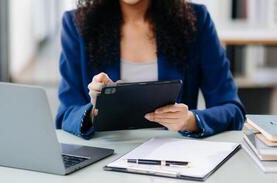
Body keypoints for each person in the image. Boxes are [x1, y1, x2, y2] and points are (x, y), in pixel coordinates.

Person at [56, 0, 246, 139]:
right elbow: (65, 115)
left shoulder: (196, 20)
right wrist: (95, 111)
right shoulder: (76, 24)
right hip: (104, 159)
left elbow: (233, 110)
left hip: (174, 160)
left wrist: (191, 120)